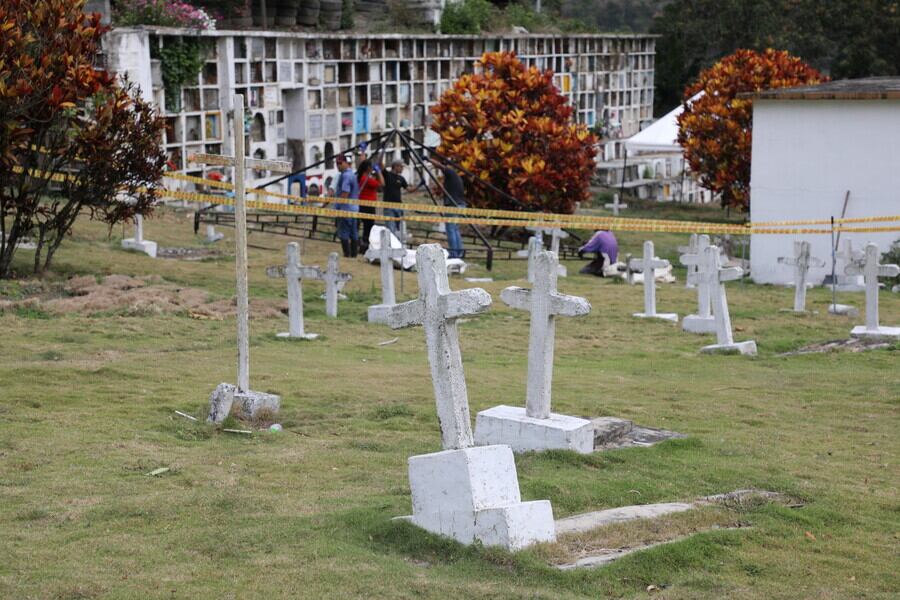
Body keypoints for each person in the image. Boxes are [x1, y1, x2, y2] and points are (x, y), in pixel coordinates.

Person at [430, 156, 466, 259]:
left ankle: (454, 253)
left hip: (453, 205)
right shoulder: (455, 177)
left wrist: (428, 159)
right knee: (455, 229)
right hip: (459, 204)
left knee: (450, 229)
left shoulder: (450, 172)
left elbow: (439, 166)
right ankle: (459, 251)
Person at [334, 155, 360, 258]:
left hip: (346, 208)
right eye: (337, 164)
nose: (338, 166)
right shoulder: (352, 174)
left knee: (344, 232)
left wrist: (338, 205)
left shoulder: (345, 176)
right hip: (354, 208)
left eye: (340, 163)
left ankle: (347, 254)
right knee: (354, 233)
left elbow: (345, 192)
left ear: (345, 163)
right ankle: (354, 254)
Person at [356, 159, 383, 252]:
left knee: (366, 227)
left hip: (363, 204)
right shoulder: (366, 179)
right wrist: (379, 172)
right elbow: (382, 184)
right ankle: (365, 247)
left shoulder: (362, 177)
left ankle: (363, 245)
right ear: (368, 168)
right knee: (369, 227)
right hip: (368, 206)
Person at [382, 160, 408, 237]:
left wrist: (419, 185)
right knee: (390, 229)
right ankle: (391, 246)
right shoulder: (387, 175)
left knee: (399, 229)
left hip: (399, 206)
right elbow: (380, 164)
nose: (402, 169)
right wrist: (382, 150)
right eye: (401, 167)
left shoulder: (401, 178)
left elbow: (409, 189)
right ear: (396, 166)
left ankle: (397, 245)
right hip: (389, 207)